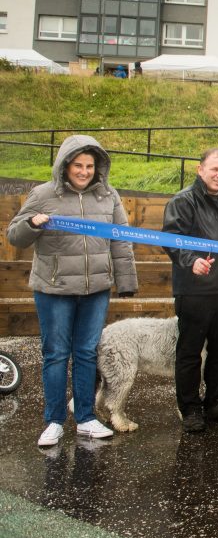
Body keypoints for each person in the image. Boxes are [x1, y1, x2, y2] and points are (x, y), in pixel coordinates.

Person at [8, 135, 138, 447]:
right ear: (66, 165)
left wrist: (126, 281)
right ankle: (53, 420)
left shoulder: (108, 196)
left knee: (85, 354)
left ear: (98, 167)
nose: (83, 171)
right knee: (55, 354)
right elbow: (15, 235)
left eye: (89, 166)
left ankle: (85, 418)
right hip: (54, 289)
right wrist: (34, 224)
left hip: (95, 289)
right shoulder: (42, 194)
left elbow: (120, 240)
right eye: (78, 165)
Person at [162, 149, 218, 433]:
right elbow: (171, 238)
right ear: (200, 169)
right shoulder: (183, 201)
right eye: (215, 169)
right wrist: (190, 261)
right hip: (195, 290)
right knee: (190, 352)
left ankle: (216, 401)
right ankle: (189, 407)